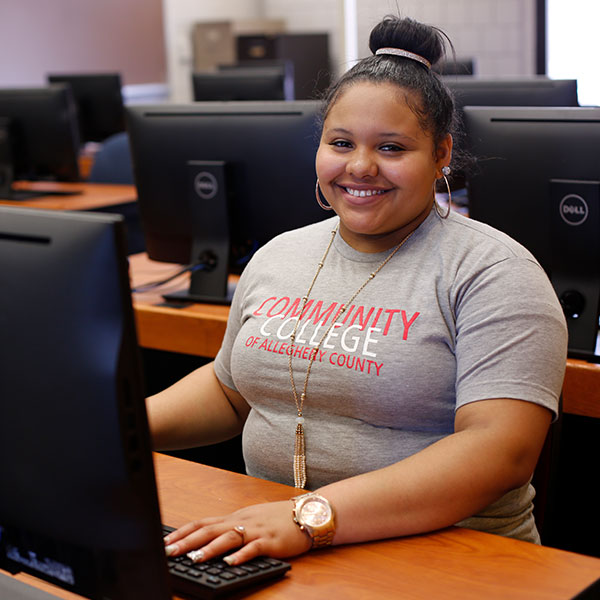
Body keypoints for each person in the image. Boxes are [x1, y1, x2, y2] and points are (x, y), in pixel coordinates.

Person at [147, 15, 568, 566]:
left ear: (442, 154)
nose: (360, 167)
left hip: (454, 556)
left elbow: (501, 452)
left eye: (392, 148)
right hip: (283, 542)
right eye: (340, 142)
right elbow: (231, 391)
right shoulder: (280, 255)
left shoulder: (495, 271)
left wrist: (311, 517)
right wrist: (119, 425)